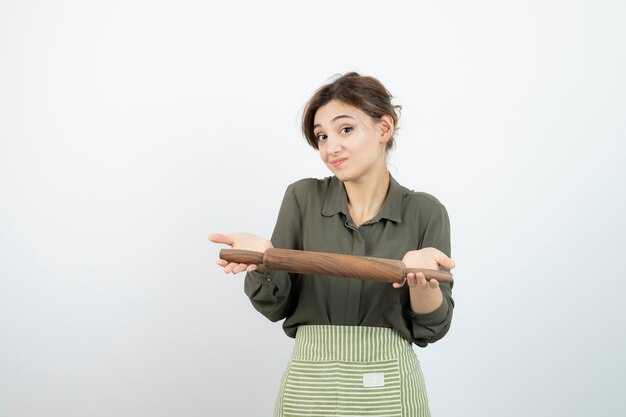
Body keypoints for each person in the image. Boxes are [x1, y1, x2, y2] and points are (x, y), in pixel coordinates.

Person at [209, 72, 456, 417]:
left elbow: (431, 327)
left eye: (345, 130)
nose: (330, 147)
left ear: (384, 129)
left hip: (389, 384)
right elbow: (274, 306)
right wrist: (265, 259)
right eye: (321, 136)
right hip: (310, 383)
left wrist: (421, 280)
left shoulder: (425, 211)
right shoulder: (302, 198)